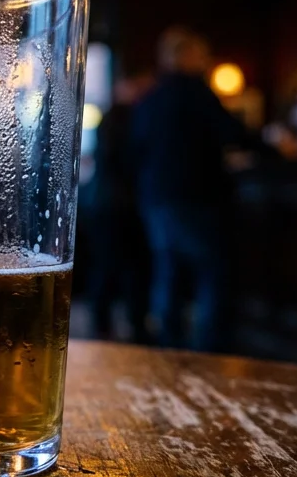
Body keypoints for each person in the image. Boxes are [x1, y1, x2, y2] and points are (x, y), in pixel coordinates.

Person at [130, 27, 274, 352]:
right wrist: (273, 149)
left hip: (155, 199)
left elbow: (135, 151)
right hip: (192, 197)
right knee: (213, 272)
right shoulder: (195, 92)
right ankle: (209, 351)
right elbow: (232, 132)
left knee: (168, 272)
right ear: (183, 56)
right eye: (199, 55)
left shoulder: (150, 99)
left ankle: (168, 348)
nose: (205, 61)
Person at [81, 71, 153, 344]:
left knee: (109, 266)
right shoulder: (129, 118)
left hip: (103, 203)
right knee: (128, 268)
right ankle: (129, 326)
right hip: (120, 205)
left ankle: (103, 325)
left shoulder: (112, 118)